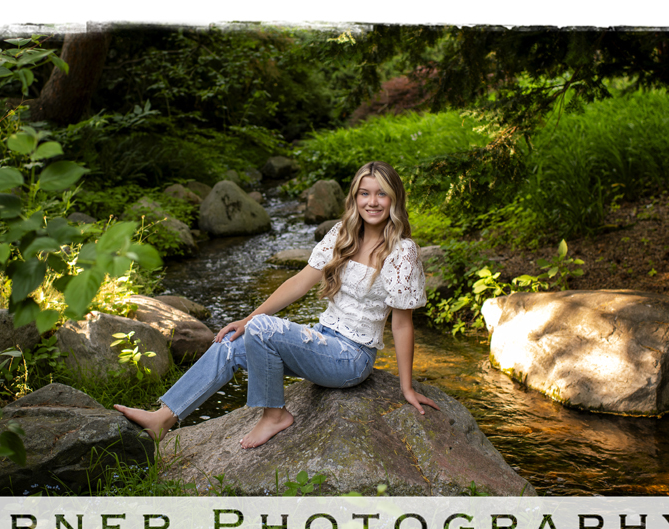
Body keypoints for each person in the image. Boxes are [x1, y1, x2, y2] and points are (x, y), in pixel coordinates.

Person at [114, 160, 439, 449]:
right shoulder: (343, 234)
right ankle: (163, 418)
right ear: (354, 198)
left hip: (350, 358)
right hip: (321, 339)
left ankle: (275, 415)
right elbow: (299, 282)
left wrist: (406, 387)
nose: (372, 201)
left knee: (262, 329)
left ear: (394, 198)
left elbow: (401, 323)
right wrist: (247, 319)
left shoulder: (402, 252)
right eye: (364, 193)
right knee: (233, 342)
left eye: (381, 194)